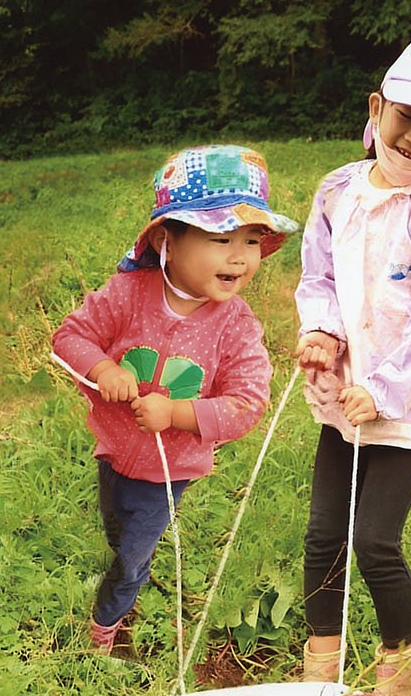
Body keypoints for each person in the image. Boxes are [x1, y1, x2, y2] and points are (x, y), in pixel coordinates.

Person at [294, 34, 411, 696]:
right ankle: (320, 676)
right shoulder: (336, 191)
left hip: (408, 405)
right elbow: (316, 276)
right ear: (376, 108)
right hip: (342, 396)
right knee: (322, 536)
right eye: (405, 118)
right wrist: (320, 331)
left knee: (374, 540)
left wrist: (383, 389)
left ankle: (402, 673)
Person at [53, 144, 297, 654]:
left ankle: (105, 630)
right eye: (221, 237)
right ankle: (127, 581)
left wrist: (176, 413)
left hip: (168, 473)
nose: (239, 255)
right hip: (114, 451)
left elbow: (247, 403)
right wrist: (102, 367)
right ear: (169, 240)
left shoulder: (236, 327)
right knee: (115, 533)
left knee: (131, 554)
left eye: (251, 240)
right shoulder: (127, 294)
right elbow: (70, 337)